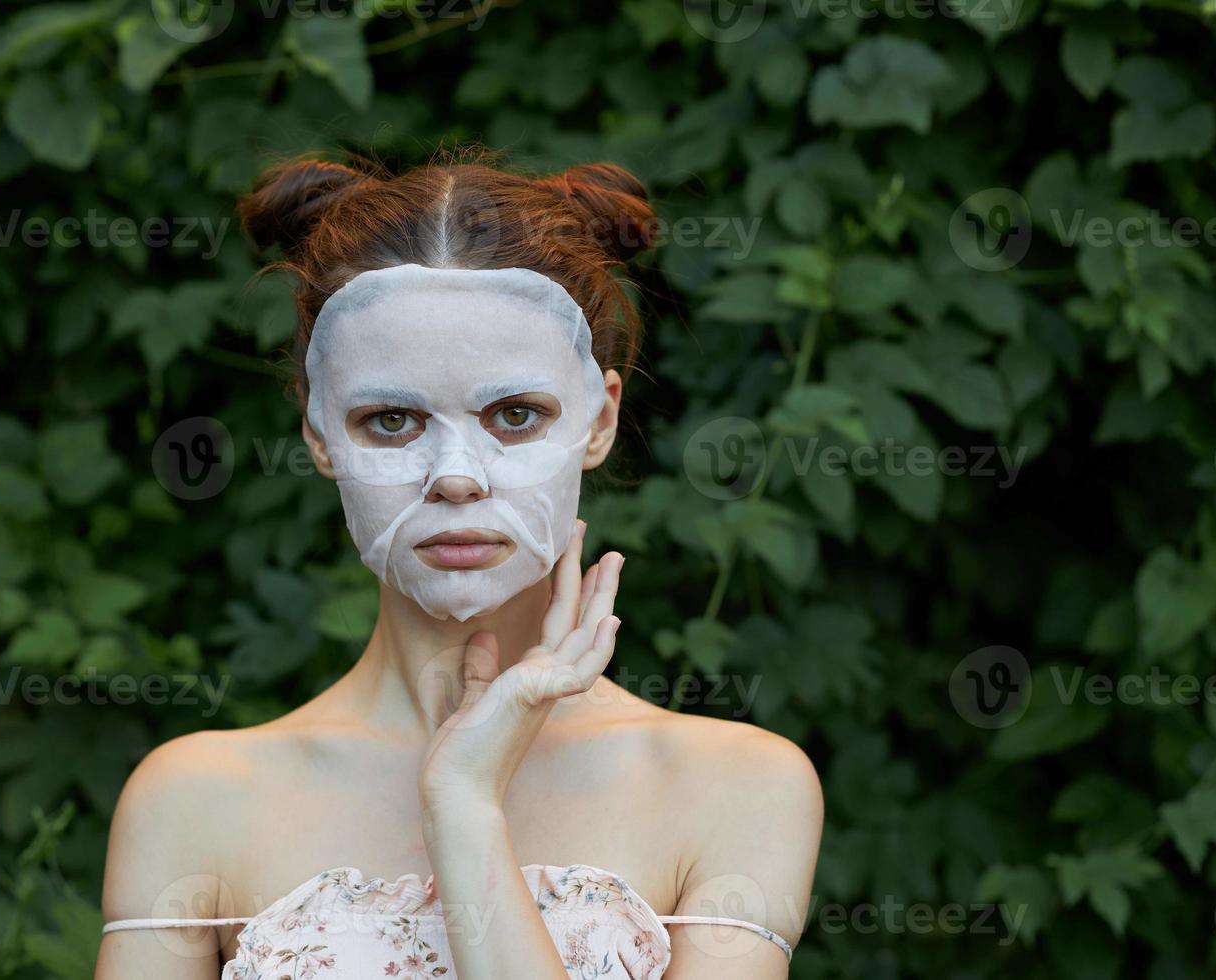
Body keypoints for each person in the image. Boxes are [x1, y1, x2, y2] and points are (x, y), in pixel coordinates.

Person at [95, 150, 822, 980]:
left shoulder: (734, 787)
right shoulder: (194, 800)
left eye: (515, 414)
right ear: (319, 433)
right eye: (391, 420)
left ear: (599, 420)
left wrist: (467, 808)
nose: (455, 476)